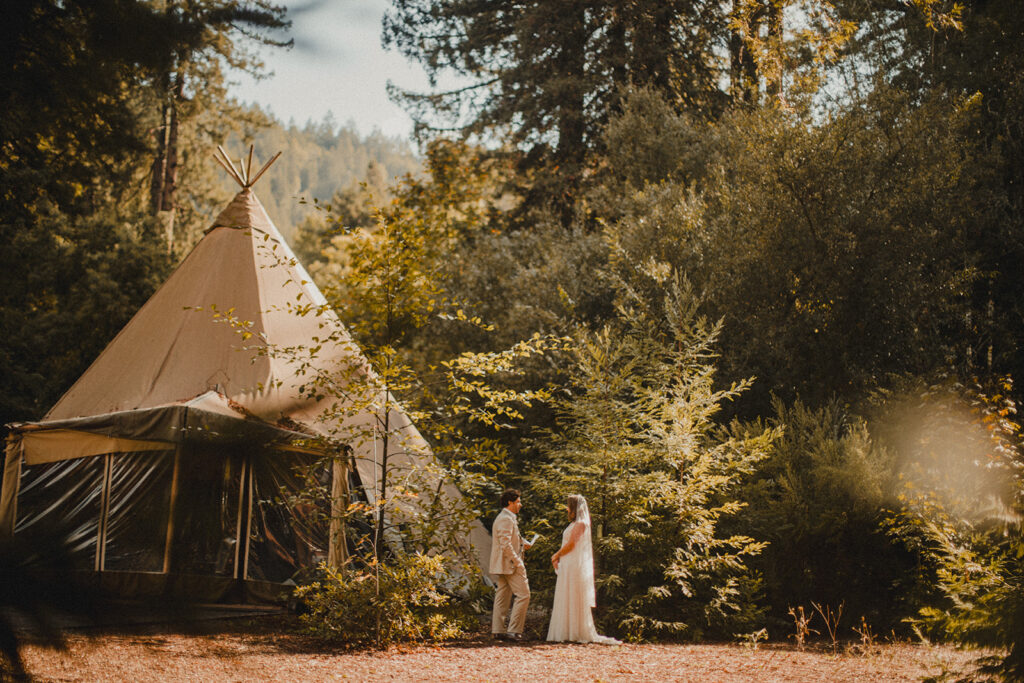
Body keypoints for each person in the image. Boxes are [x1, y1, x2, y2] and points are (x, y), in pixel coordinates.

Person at [547, 494, 620, 644]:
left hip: (574, 564)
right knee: (567, 593)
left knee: (573, 594)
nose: (567, 508)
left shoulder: (581, 523)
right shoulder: (575, 523)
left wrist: (556, 555)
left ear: (574, 507)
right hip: (568, 562)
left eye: (569, 505)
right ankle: (567, 630)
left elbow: (572, 544)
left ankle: (575, 631)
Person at [490, 488, 532, 641]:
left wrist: (523, 542)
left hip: (505, 564)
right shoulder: (506, 518)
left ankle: (498, 630)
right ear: (510, 502)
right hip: (510, 564)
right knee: (524, 595)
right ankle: (514, 631)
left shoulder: (507, 517)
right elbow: (505, 544)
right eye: (518, 501)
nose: (520, 504)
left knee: (503, 596)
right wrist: (517, 561)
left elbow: (510, 539)